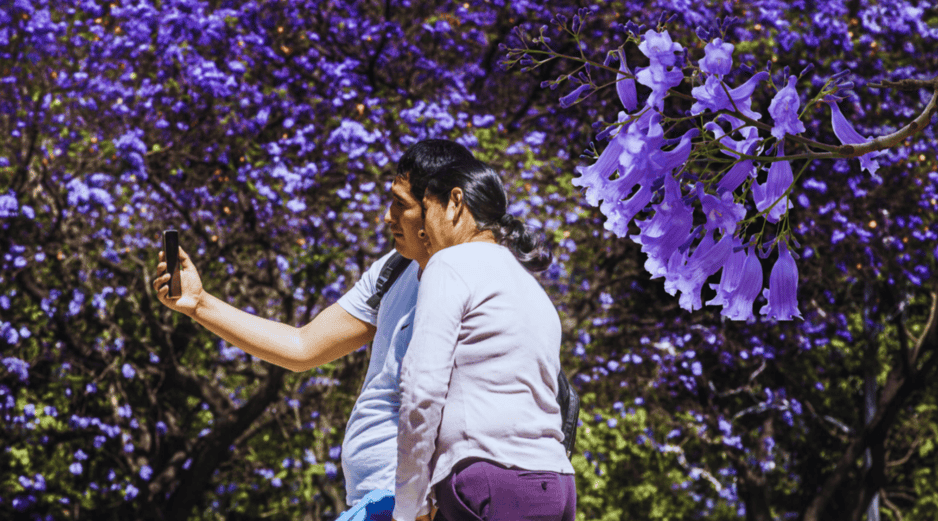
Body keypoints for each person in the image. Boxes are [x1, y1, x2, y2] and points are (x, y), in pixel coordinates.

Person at [152, 139, 477, 520]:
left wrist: (423, 506)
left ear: (444, 207)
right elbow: (303, 346)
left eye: (400, 205)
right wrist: (199, 303)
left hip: (414, 504)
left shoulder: (477, 280)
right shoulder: (395, 269)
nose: (387, 217)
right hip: (376, 501)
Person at [392, 161, 577, 521]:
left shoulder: (449, 265)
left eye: (427, 211)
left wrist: (409, 505)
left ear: (455, 202)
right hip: (556, 484)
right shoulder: (530, 287)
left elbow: (421, 392)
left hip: (489, 481)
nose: (425, 232)